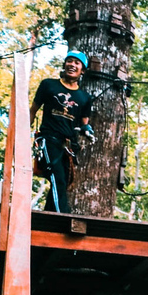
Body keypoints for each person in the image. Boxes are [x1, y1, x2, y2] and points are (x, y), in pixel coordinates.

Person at [29, 49, 95, 213]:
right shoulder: (48, 85)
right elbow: (33, 110)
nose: (72, 65)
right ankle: (63, 215)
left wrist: (87, 130)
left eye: (77, 63)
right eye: (69, 61)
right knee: (57, 175)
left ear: (83, 70)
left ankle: (49, 216)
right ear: (64, 64)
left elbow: (85, 122)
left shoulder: (84, 98)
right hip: (48, 138)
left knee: (63, 180)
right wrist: (24, 135)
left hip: (67, 145)